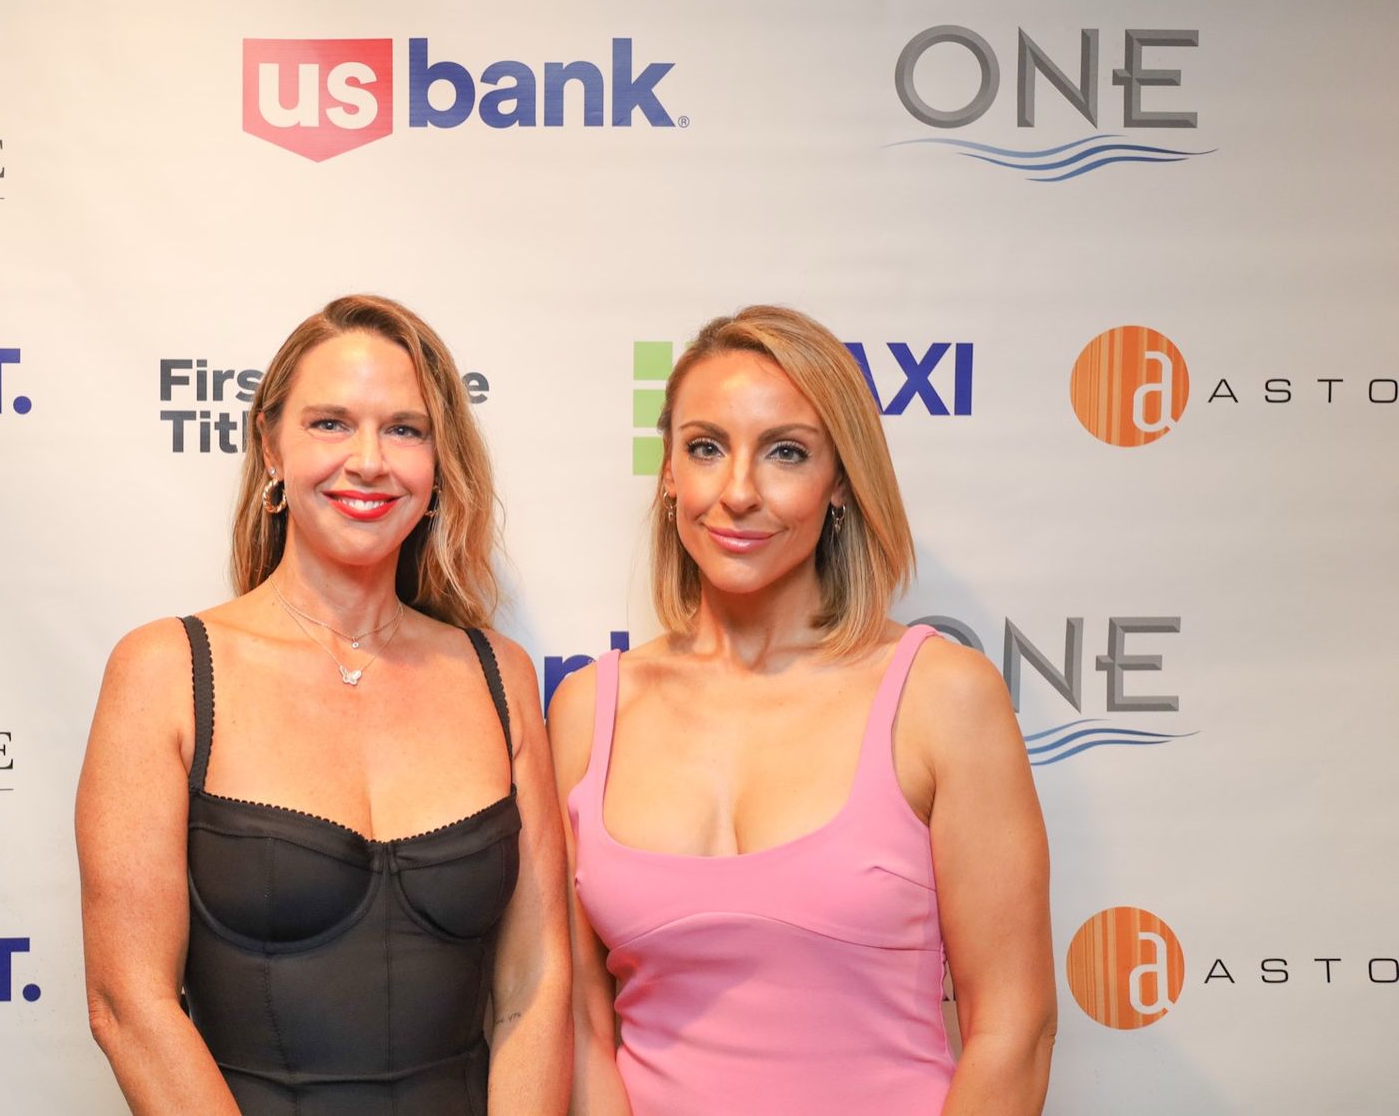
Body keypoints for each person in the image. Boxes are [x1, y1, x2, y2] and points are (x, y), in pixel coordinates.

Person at [549, 306, 1054, 1115]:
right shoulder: (589, 708)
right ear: (670, 472)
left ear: (842, 483)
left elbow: (1013, 1030)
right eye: (705, 447)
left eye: (787, 452)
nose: (739, 491)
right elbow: (580, 1025)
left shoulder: (941, 694)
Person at [77, 295, 570, 1116]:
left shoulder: (499, 675)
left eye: (405, 429)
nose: (369, 460)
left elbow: (537, 984)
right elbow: (129, 1002)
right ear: (271, 446)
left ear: (441, 461)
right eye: (331, 423)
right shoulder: (167, 670)